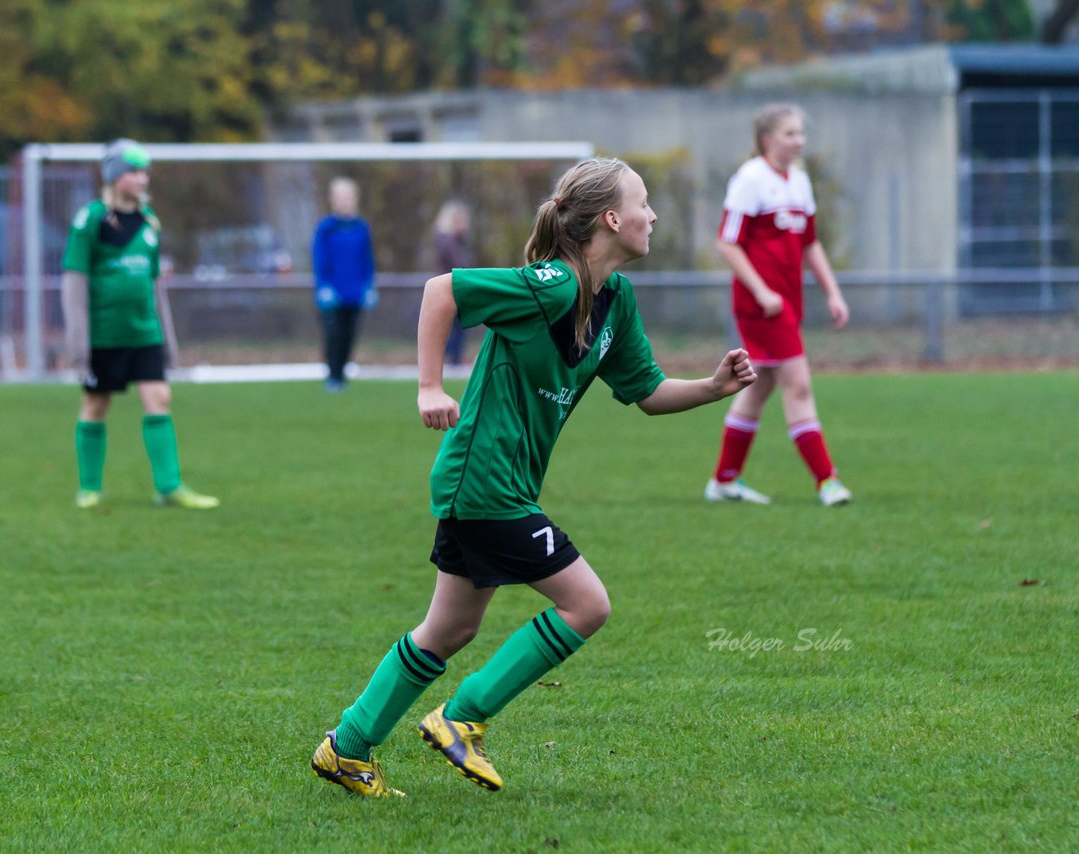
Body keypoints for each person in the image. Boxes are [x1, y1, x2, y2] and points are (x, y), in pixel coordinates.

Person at [311, 158, 757, 797]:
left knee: (450, 629)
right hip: (484, 483)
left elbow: (648, 391)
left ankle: (345, 748)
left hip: (498, 487)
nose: (652, 214)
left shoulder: (616, 301)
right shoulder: (550, 286)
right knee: (587, 604)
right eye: (643, 202)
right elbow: (443, 292)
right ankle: (462, 717)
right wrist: (429, 386)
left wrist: (714, 387)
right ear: (610, 219)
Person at [706, 103, 853, 507]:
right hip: (764, 306)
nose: (798, 141)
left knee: (761, 384)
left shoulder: (800, 182)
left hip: (786, 301)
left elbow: (810, 244)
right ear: (768, 139)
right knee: (798, 384)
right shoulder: (750, 179)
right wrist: (762, 292)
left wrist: (832, 291)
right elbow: (727, 242)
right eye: (789, 133)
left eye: (801, 134)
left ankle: (723, 480)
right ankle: (828, 481)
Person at [60, 138, 218, 510]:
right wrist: (78, 346)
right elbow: (74, 284)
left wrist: (167, 340)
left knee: (160, 398)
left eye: (144, 170)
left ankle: (169, 486)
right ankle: (89, 488)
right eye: (133, 171)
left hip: (143, 332)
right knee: (96, 405)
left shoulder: (150, 223)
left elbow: (153, 285)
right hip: (104, 335)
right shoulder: (90, 221)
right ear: (114, 177)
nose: (142, 178)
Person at [311, 177, 376, 391]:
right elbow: (320, 260)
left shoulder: (361, 228)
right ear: (332, 200)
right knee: (334, 335)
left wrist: (369, 285)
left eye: (348, 197)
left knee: (349, 335)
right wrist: (324, 287)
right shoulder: (326, 228)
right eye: (340, 197)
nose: (345, 201)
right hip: (333, 294)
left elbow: (367, 260)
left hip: (355, 293)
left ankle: (343, 374)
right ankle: (333, 376)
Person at [433, 199, 474, 367]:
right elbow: (456, 264)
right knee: (454, 328)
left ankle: (454, 359)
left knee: (458, 328)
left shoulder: (458, 240)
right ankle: (451, 358)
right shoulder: (447, 241)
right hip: (452, 288)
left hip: (458, 287)